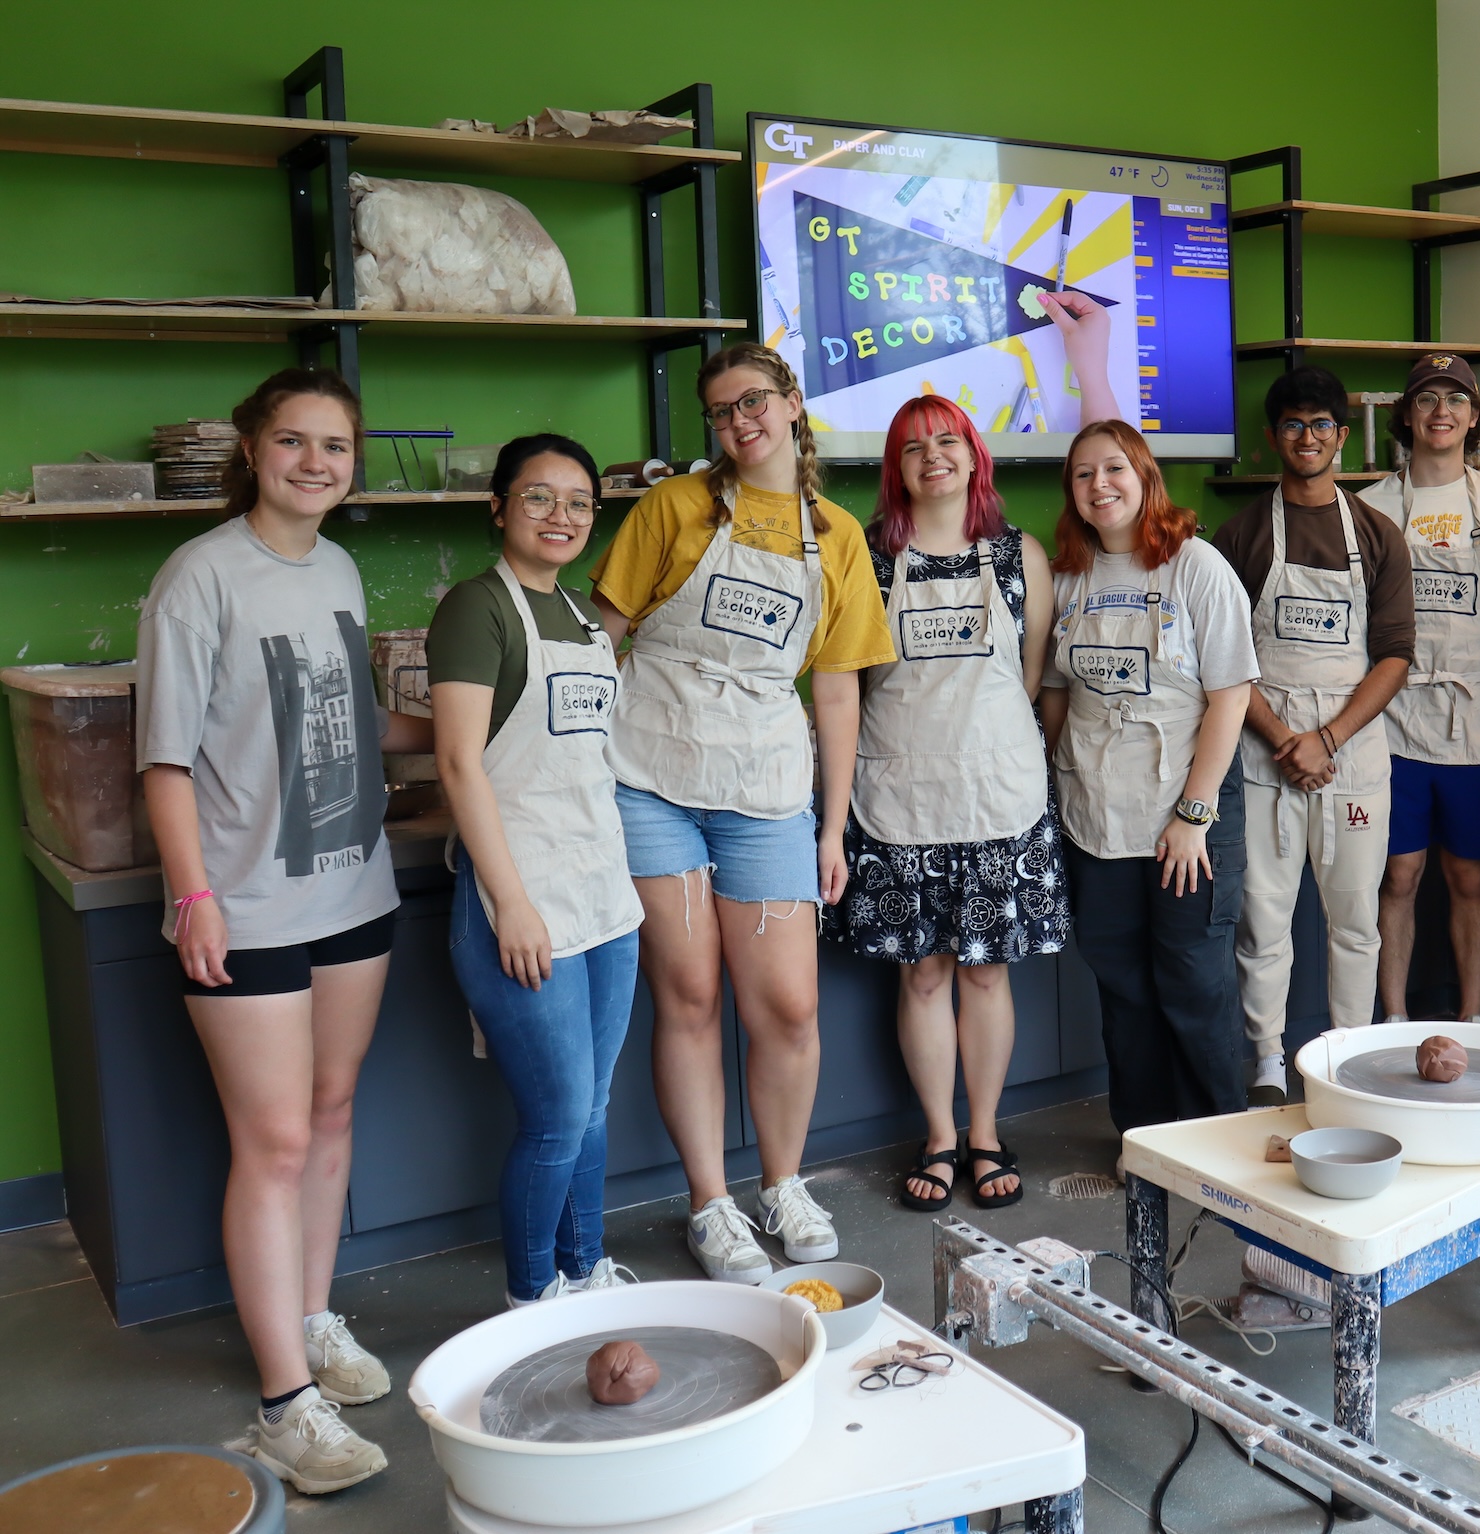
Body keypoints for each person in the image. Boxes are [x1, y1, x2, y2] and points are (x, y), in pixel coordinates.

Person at [137, 367, 432, 1494]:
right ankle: (280, 1407)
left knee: (329, 1111)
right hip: (245, 902)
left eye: (336, 447)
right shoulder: (199, 576)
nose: (316, 463)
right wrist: (193, 894)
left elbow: (348, 724)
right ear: (252, 451)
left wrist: (476, 726)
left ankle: (312, 1319)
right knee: (269, 1144)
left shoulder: (343, 569)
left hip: (351, 892)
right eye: (294, 442)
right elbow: (163, 758)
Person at [589, 343, 894, 1283]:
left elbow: (837, 694)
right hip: (650, 771)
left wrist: (832, 825)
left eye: (753, 402)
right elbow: (601, 640)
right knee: (688, 995)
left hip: (766, 787)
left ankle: (783, 1182)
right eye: (720, 413)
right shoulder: (672, 509)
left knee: (790, 1007)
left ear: (793, 404)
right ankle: (710, 1203)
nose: (738, 423)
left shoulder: (837, 536)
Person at [825, 395, 1067, 1212]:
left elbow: (1030, 676)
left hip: (997, 793)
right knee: (922, 978)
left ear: (974, 456)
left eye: (948, 442)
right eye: (913, 446)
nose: (933, 456)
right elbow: (845, 689)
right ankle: (938, 1134)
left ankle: (987, 1131)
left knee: (987, 977)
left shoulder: (1016, 555)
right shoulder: (867, 557)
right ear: (894, 466)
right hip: (900, 795)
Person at [429, 435, 645, 1307]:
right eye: (539, 498)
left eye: (579, 503)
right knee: (556, 1118)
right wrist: (511, 903)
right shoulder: (476, 608)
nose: (562, 517)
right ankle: (530, 1298)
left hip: (601, 892)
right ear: (499, 507)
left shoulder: (588, 619)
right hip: (517, 898)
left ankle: (585, 1270)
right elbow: (458, 763)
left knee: (592, 1110)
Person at [1041, 419, 1256, 1132]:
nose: (1099, 486)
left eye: (1114, 471)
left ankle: (1217, 1142)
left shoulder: (1196, 566)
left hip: (1183, 820)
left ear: (1144, 478)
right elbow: (1056, 695)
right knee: (1125, 991)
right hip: (1095, 820)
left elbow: (1231, 695)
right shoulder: (1066, 575)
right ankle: (1146, 1142)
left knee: (1194, 985)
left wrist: (1194, 818)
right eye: (1083, 475)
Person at [1214, 367, 1413, 1107]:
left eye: (1322, 425)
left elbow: (1395, 654)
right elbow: (1223, 660)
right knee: (1262, 918)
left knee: (1356, 917)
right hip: (1263, 751)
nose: (1308, 438)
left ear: (1340, 434)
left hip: (1352, 754)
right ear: (1274, 437)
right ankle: (1268, 1059)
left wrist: (1325, 738)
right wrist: (1281, 737)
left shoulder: (1376, 534)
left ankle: (1349, 1056)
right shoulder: (1238, 536)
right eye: (1294, 425)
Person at [1360, 355, 1480, 1032]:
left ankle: (1472, 1018)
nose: (1442, 412)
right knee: (1398, 875)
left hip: (1479, 722)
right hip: (1394, 720)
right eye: (1427, 399)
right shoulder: (1372, 506)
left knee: (1471, 878)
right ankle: (1396, 1019)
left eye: (1456, 400)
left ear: (1474, 417)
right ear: (1406, 414)